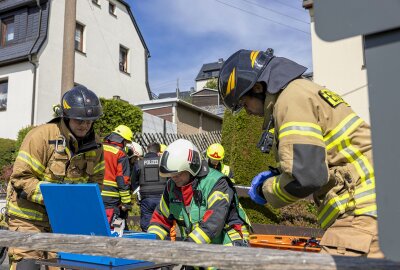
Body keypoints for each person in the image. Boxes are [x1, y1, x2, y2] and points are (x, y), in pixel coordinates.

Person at [218, 49, 383, 258]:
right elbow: (325, 159)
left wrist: (265, 190)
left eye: (244, 103)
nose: (247, 112)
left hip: (360, 214)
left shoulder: (290, 99)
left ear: (258, 87)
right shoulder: (305, 91)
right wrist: (281, 173)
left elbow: (307, 177)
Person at [6, 85, 105, 269]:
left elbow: (96, 184)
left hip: (63, 221)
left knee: (62, 265)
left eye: (89, 121)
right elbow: (21, 178)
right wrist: (56, 199)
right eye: (79, 120)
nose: (85, 125)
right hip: (28, 219)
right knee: (27, 265)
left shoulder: (96, 146)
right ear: (66, 117)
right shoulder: (41, 136)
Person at [148, 139, 251, 247]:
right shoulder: (172, 187)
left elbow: (213, 222)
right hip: (199, 245)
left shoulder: (216, 183)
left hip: (230, 243)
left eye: (177, 174)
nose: (174, 179)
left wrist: (187, 247)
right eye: (171, 175)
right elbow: (160, 219)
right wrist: (150, 241)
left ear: (191, 168)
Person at [101, 125, 133, 227]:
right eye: (126, 142)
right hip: (111, 201)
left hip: (94, 195)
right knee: (113, 231)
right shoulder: (120, 154)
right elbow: (122, 179)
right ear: (122, 140)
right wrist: (126, 203)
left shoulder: (98, 149)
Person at [132, 142, 167, 232]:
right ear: (158, 151)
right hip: (162, 198)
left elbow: (133, 182)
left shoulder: (139, 163)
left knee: (146, 225)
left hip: (146, 199)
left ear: (147, 150)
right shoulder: (163, 162)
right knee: (162, 223)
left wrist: (138, 194)